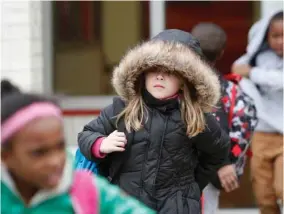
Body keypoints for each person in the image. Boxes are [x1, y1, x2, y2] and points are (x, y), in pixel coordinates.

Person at [78, 29, 230, 213]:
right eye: (153, 69)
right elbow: (86, 135)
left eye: (170, 72)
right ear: (142, 74)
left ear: (185, 80)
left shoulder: (195, 117)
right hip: (127, 205)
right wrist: (101, 144)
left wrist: (190, 187)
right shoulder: (123, 109)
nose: (160, 76)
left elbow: (217, 152)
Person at [0, 80, 155, 214]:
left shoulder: (86, 190)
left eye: (60, 146)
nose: (55, 161)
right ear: (5, 156)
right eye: (39, 153)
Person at [191, 23, 258, 214]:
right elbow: (246, 121)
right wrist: (227, 161)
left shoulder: (178, 88)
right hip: (212, 173)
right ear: (221, 53)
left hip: (177, 170)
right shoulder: (233, 91)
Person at [232, 10, 283, 214]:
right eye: (275, 36)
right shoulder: (258, 58)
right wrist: (248, 70)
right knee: (264, 195)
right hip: (261, 134)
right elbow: (239, 71)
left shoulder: (253, 68)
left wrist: (252, 73)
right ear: (265, 37)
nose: (280, 41)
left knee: (282, 188)